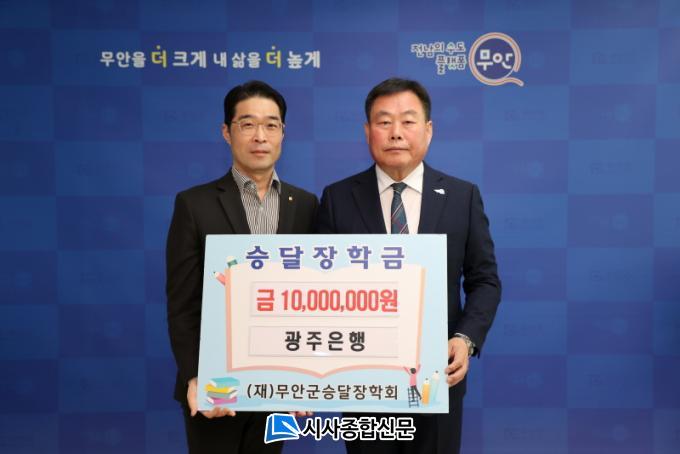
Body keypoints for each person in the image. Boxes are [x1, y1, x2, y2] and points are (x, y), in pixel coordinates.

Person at [316, 77, 501, 454]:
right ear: (367, 131)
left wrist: (465, 339)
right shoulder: (337, 198)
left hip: (438, 375)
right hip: (364, 380)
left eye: (408, 121)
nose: (396, 133)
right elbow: (320, 287)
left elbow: (484, 281)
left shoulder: (462, 196)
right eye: (384, 122)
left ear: (428, 130)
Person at [166, 80, 318, 453]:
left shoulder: (307, 205)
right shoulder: (194, 204)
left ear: (283, 133)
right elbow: (183, 304)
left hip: (280, 385)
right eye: (247, 124)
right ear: (227, 132)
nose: (260, 136)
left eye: (271, 125)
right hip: (218, 386)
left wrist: (309, 378)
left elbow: (315, 300)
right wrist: (196, 376)